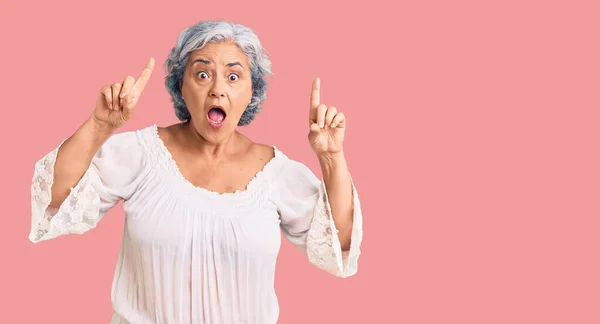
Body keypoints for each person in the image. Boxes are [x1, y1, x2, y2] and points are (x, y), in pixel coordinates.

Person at [29, 20, 363, 324]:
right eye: (202, 74)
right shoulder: (142, 153)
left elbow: (340, 243)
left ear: (251, 92)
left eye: (234, 77)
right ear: (181, 87)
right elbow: (55, 197)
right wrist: (100, 126)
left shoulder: (277, 173)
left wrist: (332, 157)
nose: (217, 89)